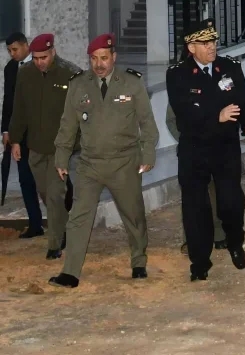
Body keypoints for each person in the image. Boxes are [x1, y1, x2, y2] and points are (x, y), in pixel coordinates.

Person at [48, 34, 159, 288]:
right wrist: (61, 156)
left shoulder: (131, 83)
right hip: (90, 164)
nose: (99, 64)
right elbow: (68, 125)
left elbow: (147, 123)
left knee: (133, 215)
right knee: (79, 217)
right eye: (94, 59)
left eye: (104, 58)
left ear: (114, 57)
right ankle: (70, 272)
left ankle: (138, 261)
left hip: (124, 162)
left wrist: (148, 154)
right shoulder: (78, 85)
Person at [166, 18, 245, 281]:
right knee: (195, 209)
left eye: (213, 41)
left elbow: (244, 102)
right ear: (191, 47)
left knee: (231, 203)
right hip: (194, 150)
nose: (212, 46)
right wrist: (216, 116)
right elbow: (184, 115)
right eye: (205, 43)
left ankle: (235, 242)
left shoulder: (229, 67)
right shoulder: (177, 74)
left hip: (225, 148)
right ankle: (200, 262)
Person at [7, 34, 75, 258]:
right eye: (35, 58)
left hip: (60, 148)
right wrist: (15, 140)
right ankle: (63, 227)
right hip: (35, 147)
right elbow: (19, 109)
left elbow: (81, 113)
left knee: (55, 195)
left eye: (43, 57)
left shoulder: (70, 73)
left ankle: (55, 245)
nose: (39, 62)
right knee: (46, 194)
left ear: (53, 52)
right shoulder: (25, 74)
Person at [165, 104, 227, 252]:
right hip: (190, 150)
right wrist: (187, 138)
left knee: (215, 192)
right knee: (191, 196)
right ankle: (191, 239)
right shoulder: (180, 90)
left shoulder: (215, 88)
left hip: (214, 147)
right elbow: (171, 120)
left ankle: (219, 234)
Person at [3, 33, 44, 238]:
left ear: (26, 46)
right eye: (9, 50)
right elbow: (9, 101)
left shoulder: (40, 65)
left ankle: (63, 222)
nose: (12, 54)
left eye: (15, 49)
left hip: (41, 133)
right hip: (20, 134)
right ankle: (35, 224)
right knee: (25, 179)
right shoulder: (10, 68)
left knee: (48, 179)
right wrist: (6, 130)